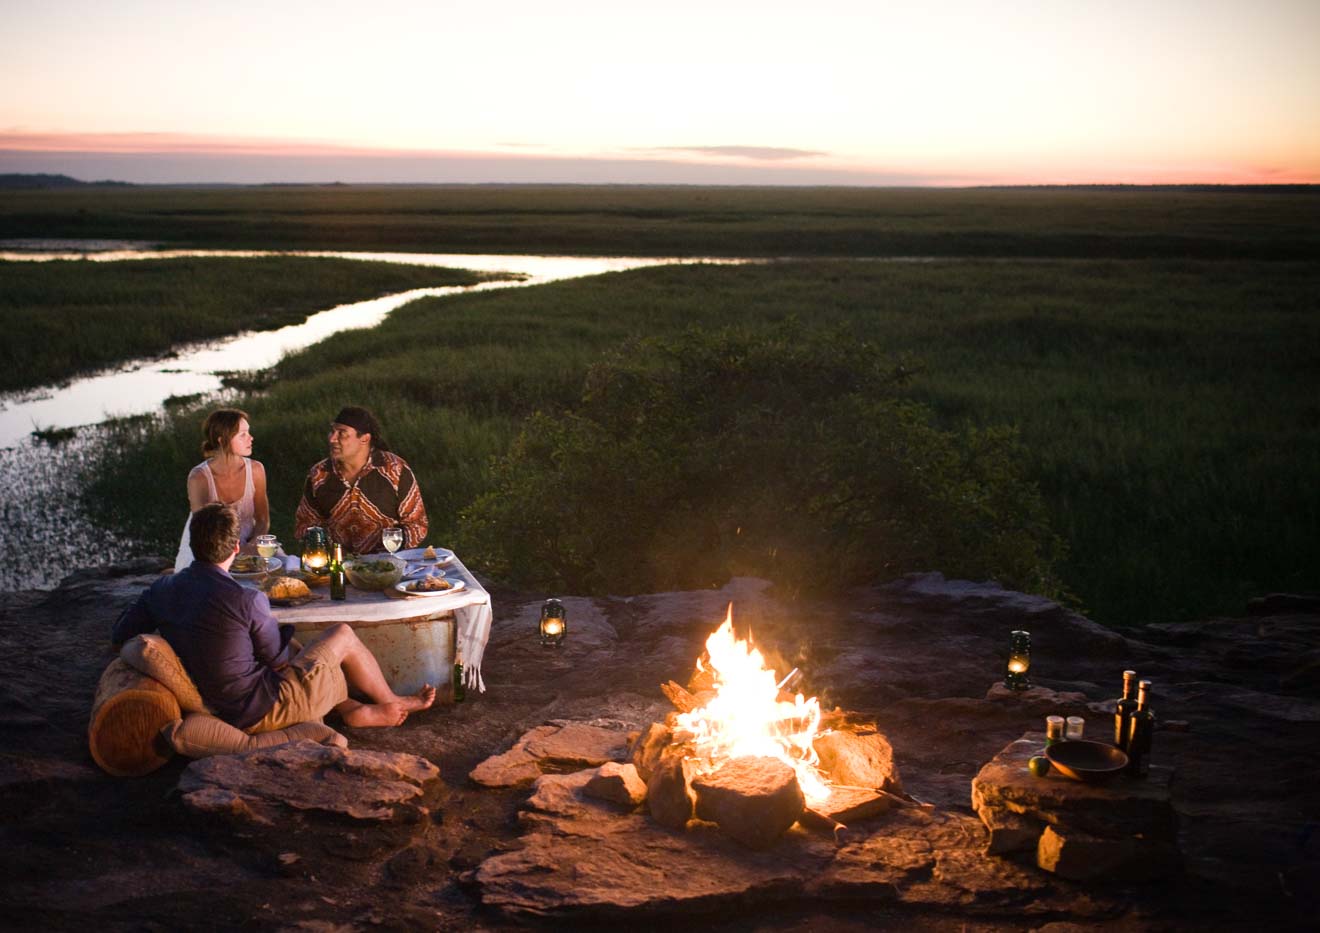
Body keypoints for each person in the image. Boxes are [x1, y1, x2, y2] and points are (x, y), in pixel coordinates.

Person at [117, 503, 435, 731]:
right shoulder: (246, 598)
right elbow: (279, 661)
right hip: (262, 709)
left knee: (294, 643)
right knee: (341, 634)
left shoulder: (162, 589)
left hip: (222, 697)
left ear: (193, 544)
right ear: (237, 548)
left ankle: (352, 709)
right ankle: (392, 700)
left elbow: (121, 632)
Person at [294, 406, 428, 554]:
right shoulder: (319, 474)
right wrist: (322, 552)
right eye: (332, 431)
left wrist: (391, 555)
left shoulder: (395, 470)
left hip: (387, 567)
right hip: (338, 567)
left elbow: (416, 524)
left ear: (364, 438)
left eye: (342, 433)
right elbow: (305, 524)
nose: (332, 439)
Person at [174, 408, 270, 572]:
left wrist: (251, 546)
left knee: (283, 569)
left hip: (249, 542)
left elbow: (263, 520)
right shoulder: (199, 477)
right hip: (209, 548)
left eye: (249, 432)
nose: (251, 438)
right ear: (222, 440)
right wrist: (232, 553)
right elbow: (202, 531)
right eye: (243, 434)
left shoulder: (256, 470)